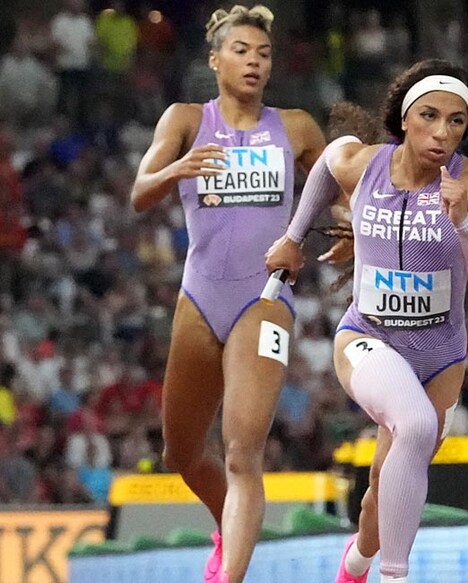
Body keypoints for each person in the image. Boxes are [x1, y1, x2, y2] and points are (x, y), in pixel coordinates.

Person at [265, 59, 468, 583]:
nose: (442, 132)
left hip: (440, 359)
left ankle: (355, 564)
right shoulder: (365, 163)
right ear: (404, 117)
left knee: (386, 480)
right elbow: (331, 161)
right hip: (367, 338)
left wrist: (464, 226)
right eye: (429, 116)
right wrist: (292, 237)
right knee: (417, 424)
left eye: (456, 122)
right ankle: (395, 576)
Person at [129, 6, 325, 583]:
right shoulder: (187, 119)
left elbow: (338, 191)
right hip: (198, 298)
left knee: (242, 452)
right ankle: (228, 526)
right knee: (181, 453)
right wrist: (178, 169)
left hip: (264, 299)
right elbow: (140, 192)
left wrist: (347, 231)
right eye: (241, 51)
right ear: (215, 60)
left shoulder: (295, 128)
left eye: (263, 54)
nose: (254, 62)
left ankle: (229, 575)